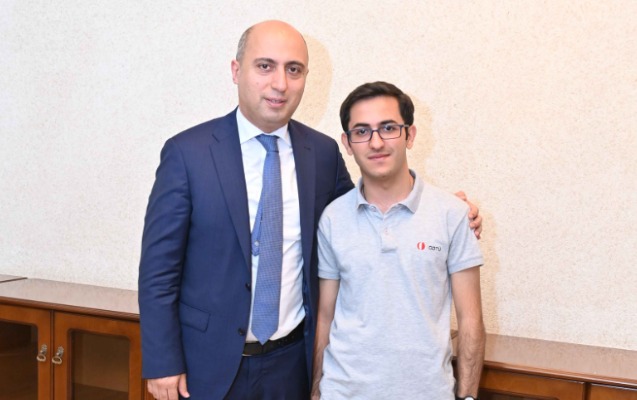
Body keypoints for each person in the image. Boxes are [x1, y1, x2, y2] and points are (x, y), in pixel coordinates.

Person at [139, 21, 483, 400]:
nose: (280, 83)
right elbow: (158, 271)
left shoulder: (321, 153)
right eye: (265, 66)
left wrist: (447, 211)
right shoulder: (188, 153)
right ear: (236, 71)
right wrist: (162, 361)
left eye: (294, 69)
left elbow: (365, 213)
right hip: (205, 365)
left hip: (292, 365)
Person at [312, 81, 485, 400]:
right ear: (347, 143)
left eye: (388, 128)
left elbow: (471, 321)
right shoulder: (333, 218)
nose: (376, 142)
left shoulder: (452, 214)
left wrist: (469, 397)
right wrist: (315, 391)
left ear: (410, 135)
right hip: (342, 392)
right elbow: (325, 317)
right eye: (361, 131)